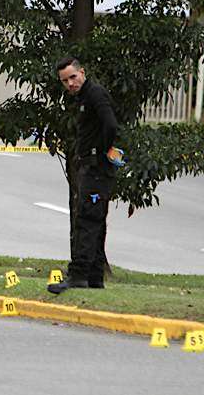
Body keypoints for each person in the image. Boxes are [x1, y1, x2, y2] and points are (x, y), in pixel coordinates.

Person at [49, 57, 119, 294]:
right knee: (95, 221)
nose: (70, 83)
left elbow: (111, 126)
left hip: (97, 170)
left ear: (82, 73)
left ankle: (78, 275)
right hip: (92, 169)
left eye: (73, 77)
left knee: (87, 220)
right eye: (65, 81)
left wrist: (100, 154)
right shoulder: (83, 98)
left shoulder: (95, 94)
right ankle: (94, 277)